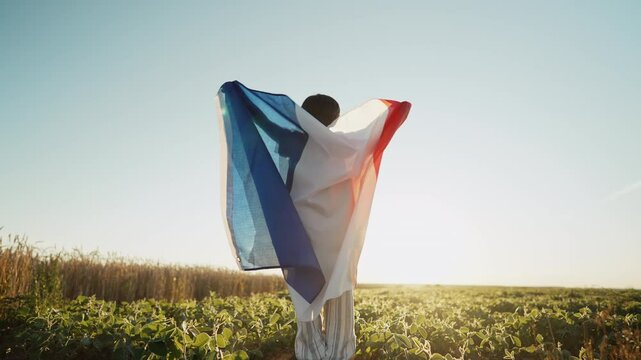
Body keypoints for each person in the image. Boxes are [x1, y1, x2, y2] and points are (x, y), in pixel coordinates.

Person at [294, 94, 357, 360]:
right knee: (339, 291)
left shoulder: (291, 147)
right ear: (336, 118)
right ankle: (339, 353)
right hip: (338, 235)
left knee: (304, 295)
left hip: (301, 233)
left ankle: (311, 354)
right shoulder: (346, 147)